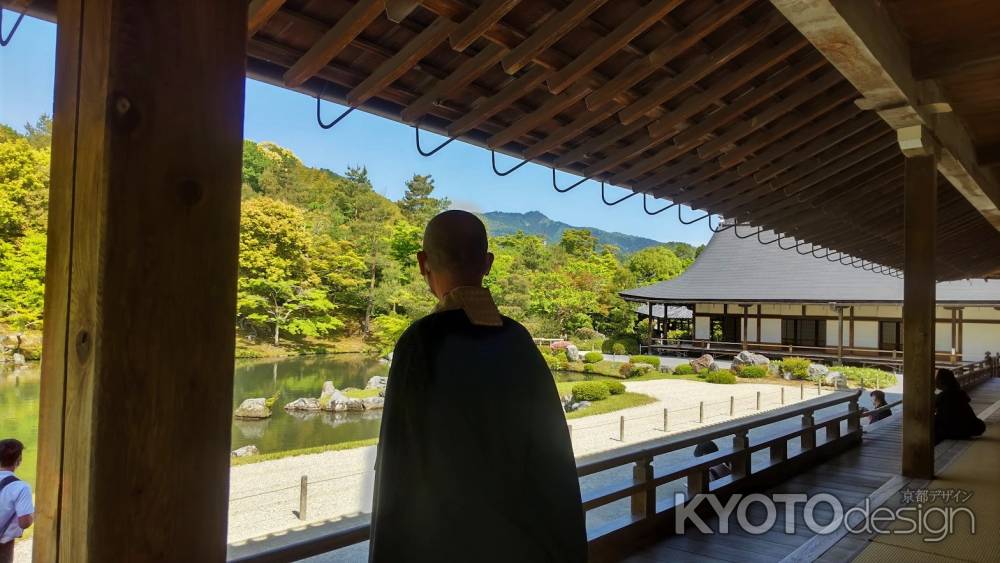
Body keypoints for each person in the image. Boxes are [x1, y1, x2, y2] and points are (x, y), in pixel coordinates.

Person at [369, 211, 587, 563]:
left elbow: (400, 466)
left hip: (442, 545)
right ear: (488, 264)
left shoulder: (420, 343)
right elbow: (553, 464)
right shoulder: (518, 342)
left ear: (423, 263)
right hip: (522, 546)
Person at [0, 439, 33, 563]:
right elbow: (25, 522)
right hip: (4, 544)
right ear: (19, 460)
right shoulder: (21, 487)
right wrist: (33, 513)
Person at [934, 368, 986, 444]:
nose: (935, 380)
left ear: (941, 381)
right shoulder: (958, 393)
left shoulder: (945, 396)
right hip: (965, 430)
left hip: (953, 431)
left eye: (936, 378)